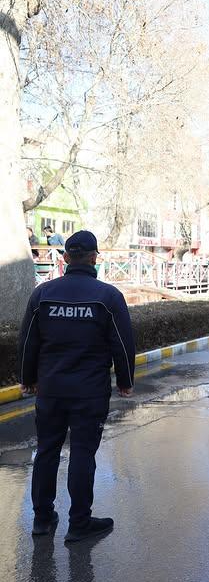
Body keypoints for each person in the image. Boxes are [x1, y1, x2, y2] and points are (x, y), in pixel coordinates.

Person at [18, 230, 135, 543]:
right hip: (90, 392)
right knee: (83, 454)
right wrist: (125, 381)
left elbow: (28, 342)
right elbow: (123, 344)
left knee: (46, 452)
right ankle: (79, 523)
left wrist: (27, 378)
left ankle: (42, 519)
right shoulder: (108, 297)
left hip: (51, 390)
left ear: (65, 258)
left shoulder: (43, 294)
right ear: (95, 257)